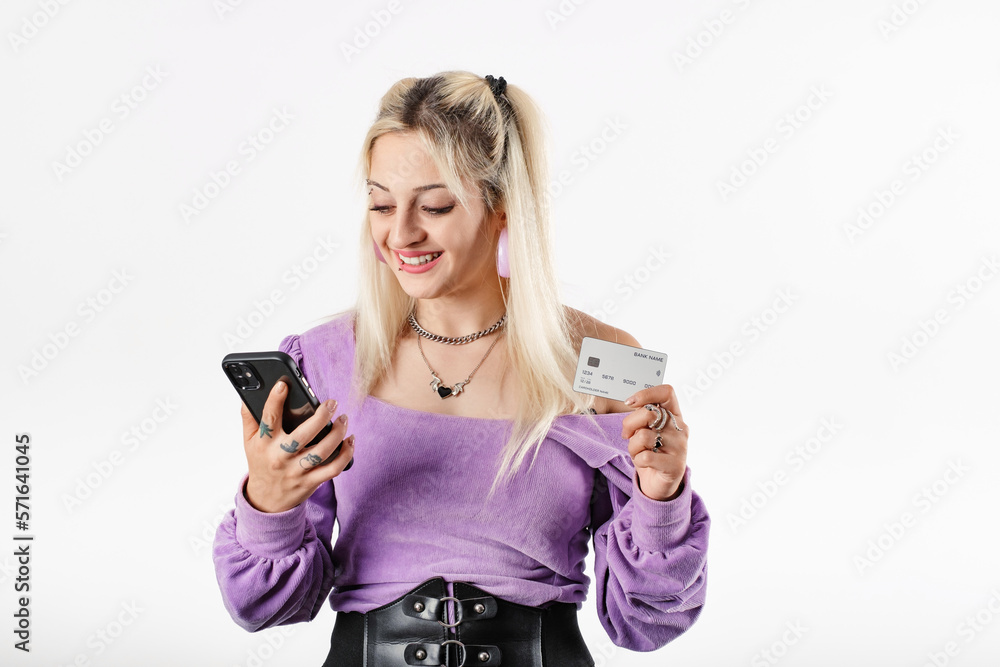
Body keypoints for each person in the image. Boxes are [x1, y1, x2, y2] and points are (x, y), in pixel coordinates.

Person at [213, 70, 710, 667]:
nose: (401, 233)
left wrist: (662, 498)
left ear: (502, 206)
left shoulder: (601, 361)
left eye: (436, 205)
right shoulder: (322, 361)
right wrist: (269, 503)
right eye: (380, 204)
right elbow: (263, 608)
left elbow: (648, 622)